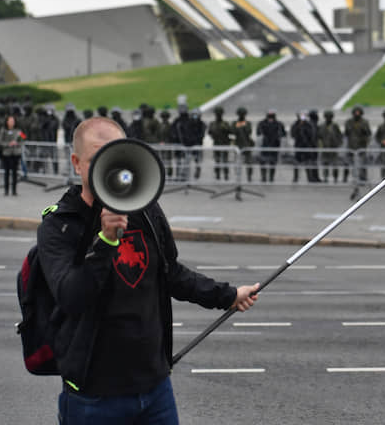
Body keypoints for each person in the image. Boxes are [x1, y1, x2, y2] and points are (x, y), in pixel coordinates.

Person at [37, 117, 259, 423]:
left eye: (114, 157)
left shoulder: (145, 210)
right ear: (76, 163)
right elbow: (71, 297)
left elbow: (171, 275)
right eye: (96, 160)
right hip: (94, 396)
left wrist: (228, 295)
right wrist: (105, 241)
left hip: (155, 388)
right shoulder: (59, 226)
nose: (107, 168)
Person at [0, 115, 24, 195]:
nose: (12, 122)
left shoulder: (18, 130)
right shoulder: (3, 130)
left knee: (15, 173)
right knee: (7, 172)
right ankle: (6, 190)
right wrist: (8, 144)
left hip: (16, 153)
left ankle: (14, 190)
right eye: (10, 121)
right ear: (7, 122)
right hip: (7, 154)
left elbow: (24, 138)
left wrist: (18, 143)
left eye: (13, 121)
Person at [343, 106, 371, 183]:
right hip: (351, 145)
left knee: (362, 163)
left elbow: (368, 133)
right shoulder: (349, 122)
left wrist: (366, 141)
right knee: (347, 162)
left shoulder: (364, 122)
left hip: (361, 146)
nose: (357, 115)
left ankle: (363, 178)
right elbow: (346, 133)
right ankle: (345, 177)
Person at [256, 109, 285, 182]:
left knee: (273, 163)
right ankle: (263, 177)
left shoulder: (279, 124)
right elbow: (258, 133)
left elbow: (283, 134)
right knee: (263, 162)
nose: (271, 117)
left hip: (274, 146)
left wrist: (278, 137)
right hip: (264, 146)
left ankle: (271, 177)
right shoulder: (262, 123)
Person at [318, 110, 343, 183]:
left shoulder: (335, 126)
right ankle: (325, 178)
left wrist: (338, 144)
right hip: (325, 148)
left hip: (333, 148)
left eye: (330, 117)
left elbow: (339, 135)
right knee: (325, 164)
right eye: (327, 117)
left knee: (335, 164)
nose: (328, 118)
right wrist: (321, 145)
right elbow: (319, 136)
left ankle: (335, 178)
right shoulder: (322, 126)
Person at [231, 106, 255, 183]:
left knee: (249, 163)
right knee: (237, 163)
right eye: (240, 114)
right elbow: (233, 131)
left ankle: (249, 176)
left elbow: (249, 131)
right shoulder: (234, 123)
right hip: (238, 145)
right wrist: (239, 126)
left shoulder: (248, 123)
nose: (241, 115)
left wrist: (241, 126)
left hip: (247, 145)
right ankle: (237, 177)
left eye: (243, 114)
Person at [208, 106, 231, 181]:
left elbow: (230, 131)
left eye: (219, 114)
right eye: (217, 114)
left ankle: (226, 174)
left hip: (224, 144)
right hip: (217, 143)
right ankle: (218, 175)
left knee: (225, 160)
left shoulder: (225, 123)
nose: (218, 115)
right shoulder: (212, 123)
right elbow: (210, 132)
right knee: (217, 161)